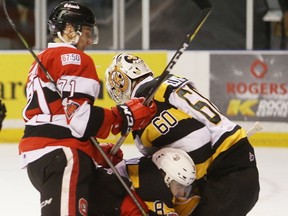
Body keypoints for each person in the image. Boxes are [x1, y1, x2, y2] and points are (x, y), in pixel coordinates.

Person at [19, 2, 156, 216]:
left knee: (113, 196)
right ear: (69, 30)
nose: (89, 40)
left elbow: (59, 119)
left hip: (42, 157)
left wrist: (94, 152)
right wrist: (125, 115)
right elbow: (81, 120)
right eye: (87, 32)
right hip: (61, 155)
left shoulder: (42, 61)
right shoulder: (75, 59)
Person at [105, 53, 260, 216]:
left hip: (226, 173)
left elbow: (167, 163)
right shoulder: (172, 83)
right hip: (239, 159)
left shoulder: (144, 109)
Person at [115, 147, 200, 216]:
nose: (182, 193)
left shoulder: (148, 164)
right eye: (179, 185)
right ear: (166, 177)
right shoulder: (155, 189)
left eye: (185, 187)